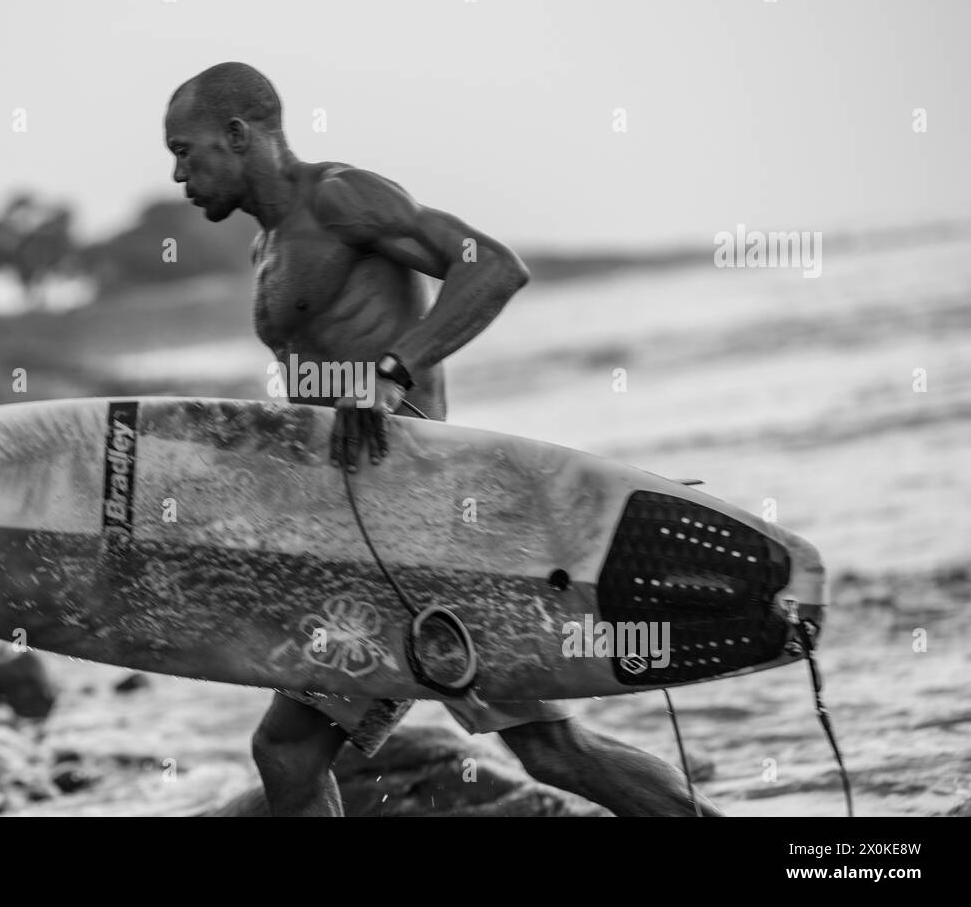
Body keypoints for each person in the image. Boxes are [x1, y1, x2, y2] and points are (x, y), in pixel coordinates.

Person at [165, 62, 720, 817]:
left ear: (239, 134)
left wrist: (395, 370)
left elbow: (492, 267)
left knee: (533, 750)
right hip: (365, 532)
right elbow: (316, 394)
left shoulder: (340, 198)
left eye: (186, 151)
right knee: (308, 748)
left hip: (419, 516)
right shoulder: (265, 248)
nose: (178, 174)